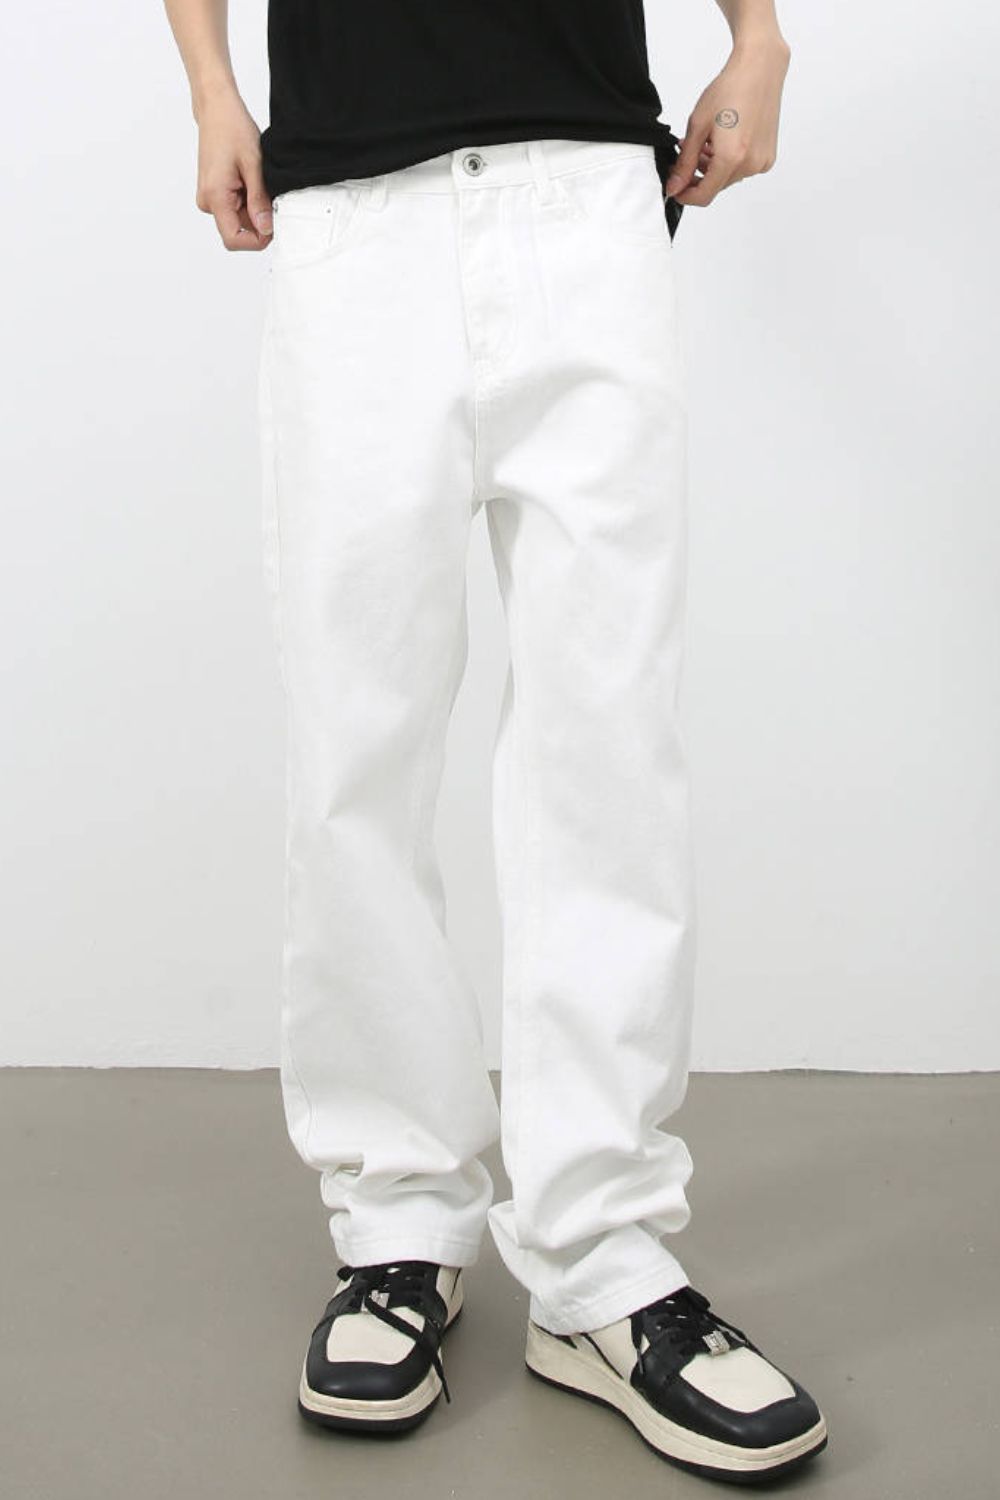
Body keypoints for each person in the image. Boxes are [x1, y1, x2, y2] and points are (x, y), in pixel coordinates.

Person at [165, 0, 827, 1482]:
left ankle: (602, 1256)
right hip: (354, 208)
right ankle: (398, 1219)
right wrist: (209, 83)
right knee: (358, 746)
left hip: (586, 189)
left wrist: (760, 33)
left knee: (609, 743)